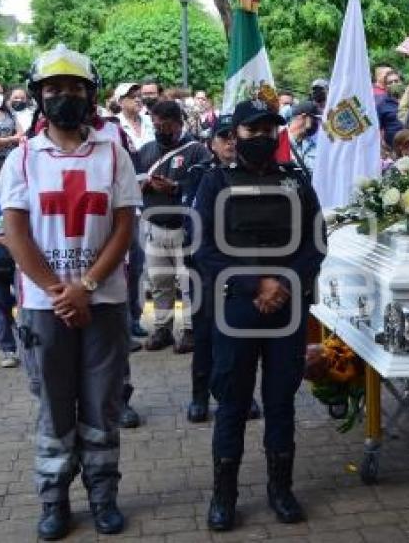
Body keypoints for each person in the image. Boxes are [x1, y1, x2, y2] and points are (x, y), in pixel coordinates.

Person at [0, 44, 141, 538]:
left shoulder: (114, 155)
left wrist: (87, 286)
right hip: (44, 307)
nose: (64, 96)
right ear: (38, 97)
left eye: (74, 88)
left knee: (101, 405)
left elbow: (124, 228)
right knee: (54, 406)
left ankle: (103, 496)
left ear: (90, 95)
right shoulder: (21, 160)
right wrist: (60, 291)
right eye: (53, 89)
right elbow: (15, 234)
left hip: (104, 301)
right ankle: (53, 499)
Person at [193, 99, 326, 531]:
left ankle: (280, 489)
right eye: (253, 132)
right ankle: (224, 495)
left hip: (285, 309)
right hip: (236, 308)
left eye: (270, 131)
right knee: (232, 403)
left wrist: (283, 283)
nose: (263, 139)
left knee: (281, 401)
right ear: (236, 136)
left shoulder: (297, 181)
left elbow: (315, 243)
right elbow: (203, 249)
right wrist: (256, 285)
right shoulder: (215, 182)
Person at [186, 114, 262, 423]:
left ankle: (241, 394)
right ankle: (199, 395)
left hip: (244, 271)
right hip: (208, 269)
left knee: (242, 339)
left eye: (235, 135)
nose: (231, 141)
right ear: (211, 143)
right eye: (223, 136)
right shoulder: (200, 173)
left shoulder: (254, 173)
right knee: (205, 335)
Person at [138, 100, 213, 353]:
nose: (160, 129)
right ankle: (162, 328)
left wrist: (175, 187)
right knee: (160, 281)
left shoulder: (197, 151)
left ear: (178, 123)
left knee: (188, 281)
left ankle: (191, 329)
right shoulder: (146, 150)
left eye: (165, 125)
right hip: (154, 226)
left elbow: (203, 185)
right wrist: (143, 185)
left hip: (184, 228)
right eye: (156, 124)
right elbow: (133, 181)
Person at [0, 196, 18, 368]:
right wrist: (1, 239)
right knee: (0, 309)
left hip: (23, 261)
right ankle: (8, 349)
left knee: (24, 304)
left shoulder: (12, 196)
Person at [114, 82, 155, 150]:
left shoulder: (150, 120)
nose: (138, 100)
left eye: (139, 96)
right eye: (132, 97)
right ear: (120, 102)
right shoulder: (115, 124)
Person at [286, 101, 319, 175]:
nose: (317, 123)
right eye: (314, 118)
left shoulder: (314, 147)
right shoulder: (279, 141)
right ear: (302, 116)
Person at [0, 82, 21, 174]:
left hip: (11, 160)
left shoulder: (9, 112)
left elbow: (20, 133)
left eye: (0, 93)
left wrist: (4, 140)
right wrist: (12, 139)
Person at [376, 71, 404, 148]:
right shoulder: (382, 105)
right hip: (394, 147)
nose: (394, 84)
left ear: (401, 82)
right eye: (390, 82)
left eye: (396, 81)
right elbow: (378, 128)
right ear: (385, 87)